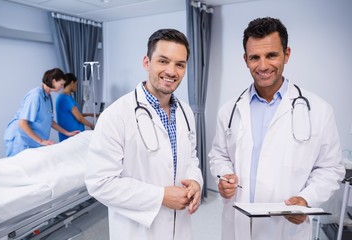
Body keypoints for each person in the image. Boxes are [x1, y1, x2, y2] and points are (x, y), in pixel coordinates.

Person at [209, 17, 345, 240]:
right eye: (255, 57)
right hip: (238, 225)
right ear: (245, 59)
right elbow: (219, 155)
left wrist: (306, 199)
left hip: (287, 228)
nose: (263, 66)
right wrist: (224, 176)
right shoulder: (229, 110)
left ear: (287, 54)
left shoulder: (319, 110)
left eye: (271, 55)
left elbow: (330, 169)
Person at [85, 29, 203, 240]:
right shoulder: (116, 115)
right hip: (137, 232)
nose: (171, 71)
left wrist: (195, 182)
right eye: (163, 61)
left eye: (180, 64)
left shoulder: (186, 113)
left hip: (181, 228)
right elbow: (100, 182)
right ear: (147, 63)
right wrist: (160, 196)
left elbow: (191, 158)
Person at [4, 68, 79, 157]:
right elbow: (22, 123)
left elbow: (50, 121)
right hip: (20, 139)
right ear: (54, 81)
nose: (62, 87)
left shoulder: (48, 97)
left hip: (31, 141)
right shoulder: (35, 95)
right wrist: (41, 141)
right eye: (61, 84)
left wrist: (67, 133)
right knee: (16, 168)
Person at [56, 73, 95, 142]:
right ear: (72, 83)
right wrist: (92, 125)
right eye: (76, 84)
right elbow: (79, 118)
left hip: (73, 136)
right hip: (71, 137)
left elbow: (75, 114)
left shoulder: (65, 97)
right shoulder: (66, 98)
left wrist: (92, 114)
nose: (76, 87)